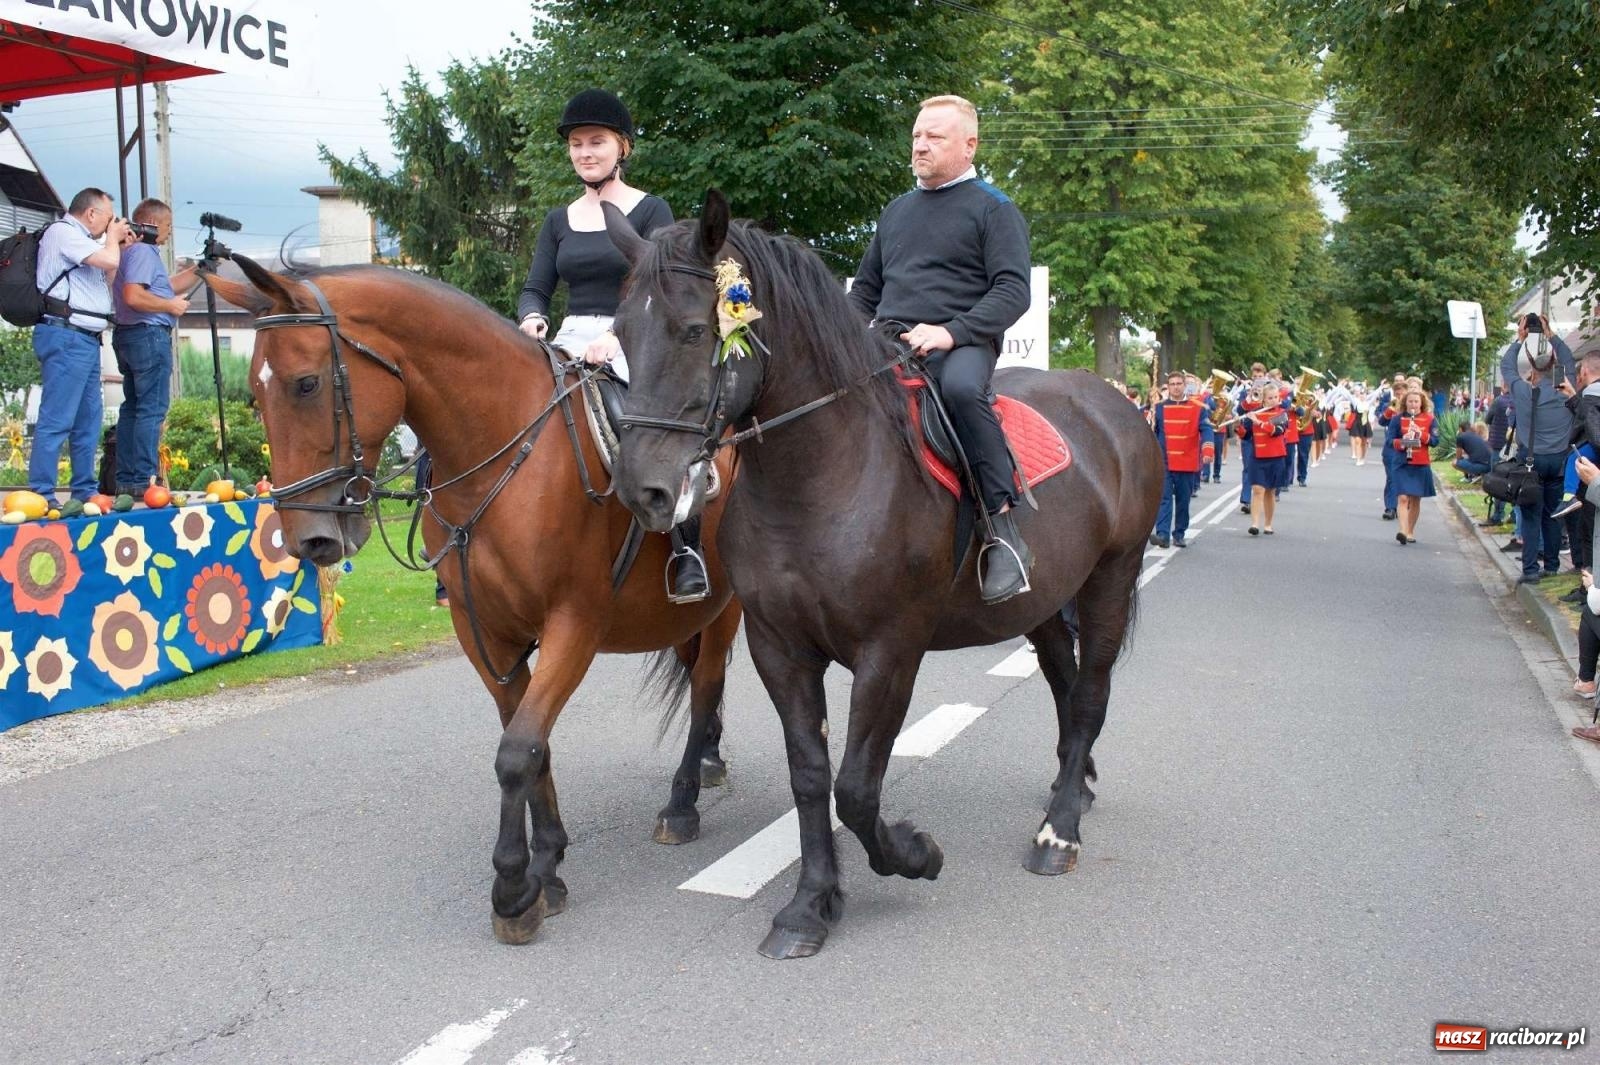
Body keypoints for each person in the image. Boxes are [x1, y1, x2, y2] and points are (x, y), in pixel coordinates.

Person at [513, 89, 708, 603]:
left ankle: (684, 549)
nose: (584, 152)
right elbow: (537, 286)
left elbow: (660, 287)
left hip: (635, 335)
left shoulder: (650, 210)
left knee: (646, 425)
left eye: (595, 141)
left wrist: (614, 335)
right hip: (570, 336)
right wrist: (532, 317)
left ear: (622, 146)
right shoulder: (559, 221)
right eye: (576, 144)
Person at [848, 94, 1033, 603]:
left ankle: (1002, 530)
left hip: (962, 342)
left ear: (969, 146)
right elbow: (866, 290)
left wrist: (951, 332)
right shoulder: (896, 211)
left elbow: (1013, 291)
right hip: (888, 339)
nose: (920, 146)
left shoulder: (995, 209)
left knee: (961, 390)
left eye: (935, 136)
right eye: (916, 136)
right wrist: (841, 334)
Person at [28, 187, 130, 502]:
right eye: (109, 218)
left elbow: (107, 281)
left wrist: (118, 248)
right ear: (91, 213)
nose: (111, 224)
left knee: (88, 421)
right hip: (66, 334)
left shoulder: (85, 245)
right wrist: (113, 240)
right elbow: (107, 255)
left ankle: (84, 490)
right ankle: (42, 493)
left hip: (85, 340)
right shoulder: (62, 233)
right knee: (57, 418)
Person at [111, 198, 196, 495]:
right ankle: (146, 480)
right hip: (148, 335)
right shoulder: (145, 251)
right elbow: (134, 295)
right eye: (169, 225)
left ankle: (127, 479)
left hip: (127, 335)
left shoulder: (129, 251)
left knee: (133, 407)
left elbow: (164, 286)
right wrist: (170, 306)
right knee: (152, 409)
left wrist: (202, 269)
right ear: (153, 222)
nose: (171, 231)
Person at [1509, 347, 1576, 584]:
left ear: (1534, 371)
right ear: (1556, 369)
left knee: (1530, 516)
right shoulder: (1566, 393)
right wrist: (1551, 337)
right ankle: (1552, 565)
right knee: (1552, 515)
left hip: (1532, 462)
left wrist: (1520, 339)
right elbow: (1568, 360)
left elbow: (1507, 366)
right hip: (1559, 461)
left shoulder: (1524, 392)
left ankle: (1530, 570)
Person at [1149, 371, 1204, 548]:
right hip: (1164, 460)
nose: (1175, 387)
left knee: (1183, 500)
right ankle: (1163, 535)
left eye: (1179, 383)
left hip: (1186, 461)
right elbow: (1154, 432)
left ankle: (1179, 533)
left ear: (1184, 385)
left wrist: (1208, 448)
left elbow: (1206, 429)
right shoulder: (1159, 407)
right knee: (1163, 498)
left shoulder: (1198, 407)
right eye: (1172, 384)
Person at [1386, 389, 1438, 544]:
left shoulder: (1430, 419)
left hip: (1420, 463)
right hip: (1402, 462)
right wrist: (1404, 441)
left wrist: (1420, 435)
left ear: (1421, 403)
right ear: (1405, 403)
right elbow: (1390, 441)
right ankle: (1402, 530)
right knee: (1402, 497)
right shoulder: (1397, 419)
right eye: (1410, 401)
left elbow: (1435, 441)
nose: (1413, 404)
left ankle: (1410, 531)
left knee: (1415, 499)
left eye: (1416, 401)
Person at [1238, 380, 1288, 536]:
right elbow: (1246, 435)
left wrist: (1258, 422)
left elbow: (1276, 431)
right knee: (1258, 489)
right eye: (1270, 398)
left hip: (1275, 456)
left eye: (1276, 397)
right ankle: (1254, 524)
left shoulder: (1281, 414)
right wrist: (1238, 426)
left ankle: (1268, 524)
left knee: (1270, 492)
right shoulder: (1256, 413)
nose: (1274, 400)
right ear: (1264, 400)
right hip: (1257, 457)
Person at [1483, 382, 1515, 526]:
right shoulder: (1519, 401)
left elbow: (1487, 419)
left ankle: (1498, 515)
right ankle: (1514, 515)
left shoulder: (1499, 401)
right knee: (1515, 482)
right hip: (1514, 447)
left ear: (1504, 386)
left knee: (1497, 482)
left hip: (1498, 445)